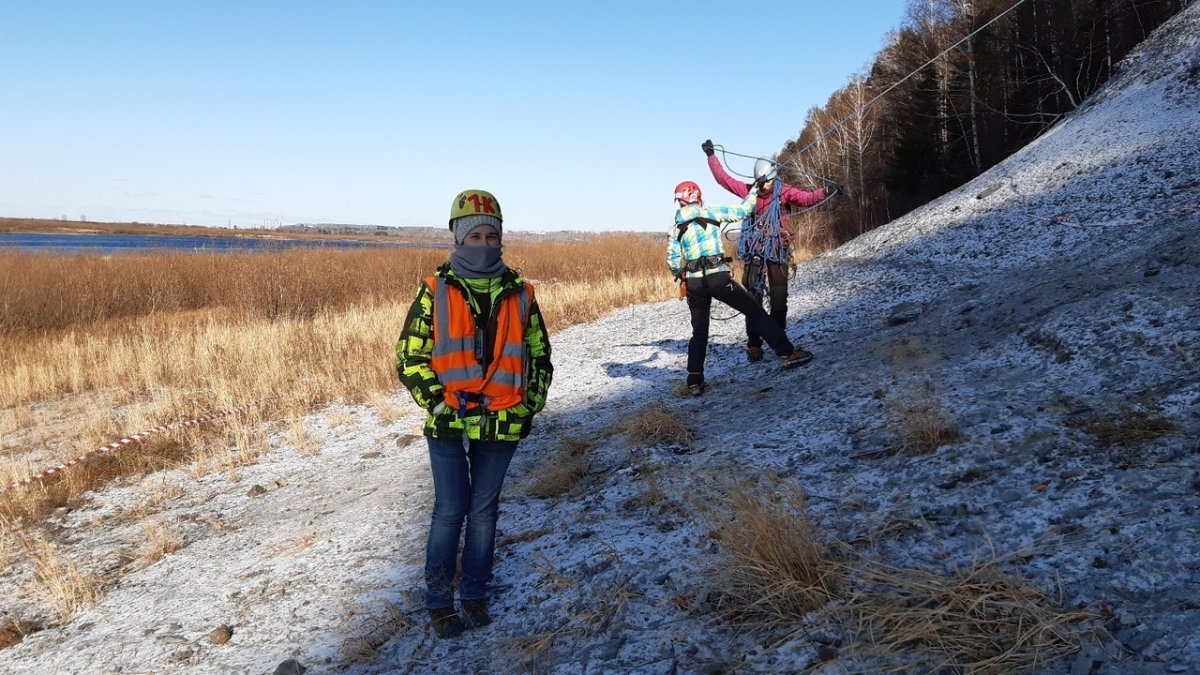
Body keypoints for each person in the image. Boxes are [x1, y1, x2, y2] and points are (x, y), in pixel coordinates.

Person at [395, 189, 553, 638]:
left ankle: (476, 593)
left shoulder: (522, 293)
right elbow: (409, 357)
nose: (484, 244)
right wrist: (437, 401)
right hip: (447, 423)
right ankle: (439, 601)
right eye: (474, 236)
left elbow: (540, 357)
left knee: (484, 512)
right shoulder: (434, 291)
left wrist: (529, 404)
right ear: (457, 238)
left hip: (503, 421)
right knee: (449, 511)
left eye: (491, 236)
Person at [667, 180, 813, 396]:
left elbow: (672, 260)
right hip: (718, 278)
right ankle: (786, 353)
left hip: (695, 284)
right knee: (754, 311)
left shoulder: (675, 226)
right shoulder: (713, 212)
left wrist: (683, 274)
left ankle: (695, 380)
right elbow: (744, 210)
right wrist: (755, 189)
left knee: (699, 332)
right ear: (698, 196)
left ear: (679, 200)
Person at [702, 139, 836, 363]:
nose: (762, 187)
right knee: (752, 299)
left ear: (773, 179)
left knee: (779, 301)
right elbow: (724, 180)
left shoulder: (784, 192)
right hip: (754, 251)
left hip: (777, 252)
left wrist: (826, 191)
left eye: (765, 183)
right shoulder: (750, 193)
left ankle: (779, 338)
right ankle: (754, 344)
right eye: (759, 183)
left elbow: (806, 198)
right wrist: (711, 157)